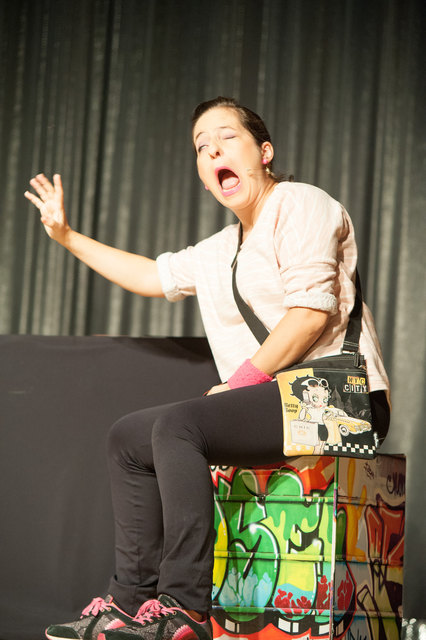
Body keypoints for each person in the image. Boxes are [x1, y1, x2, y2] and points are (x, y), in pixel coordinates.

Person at [25, 96, 390, 640]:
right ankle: (129, 602)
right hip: (276, 402)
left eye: (227, 137)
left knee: (180, 425)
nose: (213, 150)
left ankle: (185, 607)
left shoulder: (301, 203)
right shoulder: (220, 250)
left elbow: (310, 314)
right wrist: (66, 236)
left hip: (343, 400)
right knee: (128, 438)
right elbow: (151, 276)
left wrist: (238, 384)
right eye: (201, 146)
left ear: (264, 152)